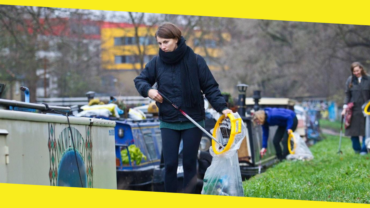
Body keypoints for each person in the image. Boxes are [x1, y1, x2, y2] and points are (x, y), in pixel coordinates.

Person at [133, 22, 232, 193]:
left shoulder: (195, 60)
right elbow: (140, 80)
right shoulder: (156, 63)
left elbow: (210, 87)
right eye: (159, 43)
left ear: (177, 39)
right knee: (169, 164)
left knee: (189, 163)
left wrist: (223, 108)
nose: (162, 46)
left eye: (166, 42)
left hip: (192, 119)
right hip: (168, 120)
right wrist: (149, 91)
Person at [341, 62, 370, 155]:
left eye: (357, 70)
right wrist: (344, 108)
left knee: (367, 131)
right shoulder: (350, 81)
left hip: (367, 110)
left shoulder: (368, 79)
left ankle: (364, 149)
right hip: (353, 110)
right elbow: (347, 95)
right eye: (354, 71)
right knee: (353, 132)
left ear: (361, 69)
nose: (356, 73)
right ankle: (356, 149)